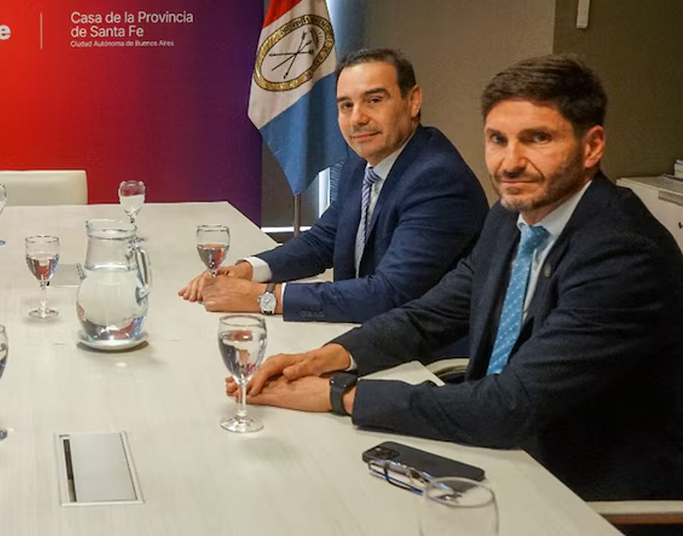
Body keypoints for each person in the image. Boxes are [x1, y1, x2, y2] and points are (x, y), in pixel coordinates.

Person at [233, 55, 683, 501]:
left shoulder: (622, 253)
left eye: (537, 139)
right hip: (505, 454)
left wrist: (340, 395)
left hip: (586, 491)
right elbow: (428, 315)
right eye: (497, 140)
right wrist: (325, 357)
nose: (510, 163)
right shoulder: (511, 219)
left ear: (592, 147)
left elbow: (510, 406)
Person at [181, 48, 488, 323]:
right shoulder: (361, 161)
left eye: (374, 100)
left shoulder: (437, 179)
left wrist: (264, 297)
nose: (357, 119)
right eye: (345, 105)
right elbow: (323, 241)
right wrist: (248, 269)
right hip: (362, 331)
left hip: (421, 361)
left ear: (413, 101)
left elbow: (389, 294)